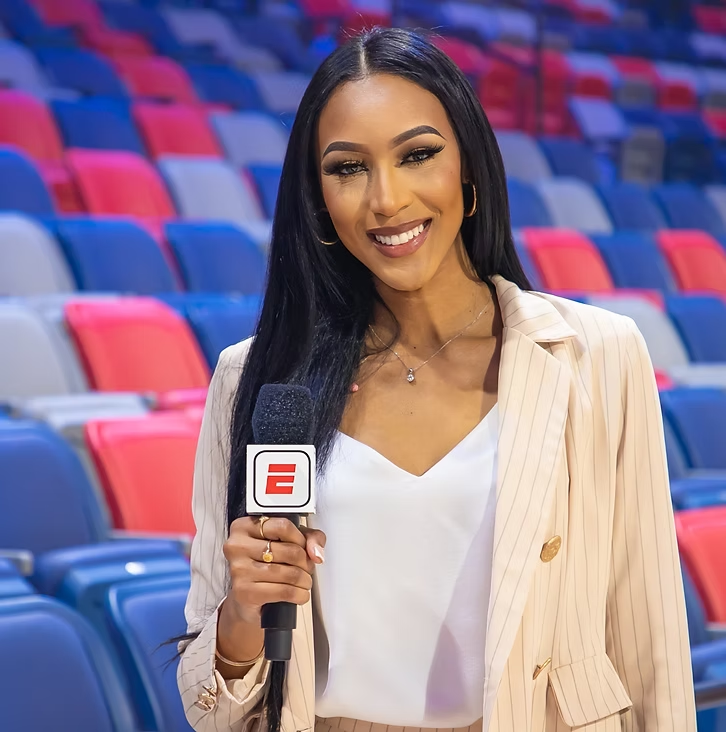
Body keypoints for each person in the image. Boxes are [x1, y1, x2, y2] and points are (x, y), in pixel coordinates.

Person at [177, 27, 696, 732]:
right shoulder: (255, 378)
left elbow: (649, 642)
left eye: (418, 155)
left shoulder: (596, 355)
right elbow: (209, 702)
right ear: (317, 197)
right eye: (348, 168)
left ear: (469, 169)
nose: (386, 200)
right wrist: (241, 615)